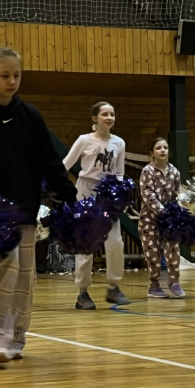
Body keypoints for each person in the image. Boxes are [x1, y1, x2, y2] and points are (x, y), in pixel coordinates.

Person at [0, 47, 78, 365]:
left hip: (26, 208)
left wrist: (69, 193)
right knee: (3, 268)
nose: (12, 81)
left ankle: (16, 339)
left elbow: (49, 160)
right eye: (5, 75)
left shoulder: (30, 116)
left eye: (17, 75)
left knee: (25, 278)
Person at [63, 101, 130, 310]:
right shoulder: (84, 140)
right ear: (95, 118)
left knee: (116, 241)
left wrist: (120, 193)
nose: (109, 118)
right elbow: (65, 164)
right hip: (86, 190)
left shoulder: (119, 142)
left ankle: (113, 287)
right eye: (104, 114)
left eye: (112, 114)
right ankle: (82, 293)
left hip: (108, 193)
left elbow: (119, 172)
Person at [139, 137, 185, 299]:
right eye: (158, 148)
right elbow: (148, 195)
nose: (163, 150)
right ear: (152, 153)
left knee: (173, 249)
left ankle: (174, 282)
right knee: (153, 253)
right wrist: (163, 212)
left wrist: (178, 212)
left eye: (165, 147)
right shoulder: (147, 171)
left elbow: (178, 194)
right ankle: (154, 286)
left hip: (170, 221)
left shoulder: (175, 172)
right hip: (149, 220)